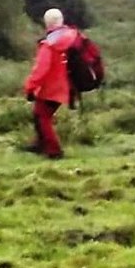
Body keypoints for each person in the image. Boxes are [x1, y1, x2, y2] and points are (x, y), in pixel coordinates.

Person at [22, 8, 79, 160]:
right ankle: (40, 144)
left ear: (46, 23)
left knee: (42, 117)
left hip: (52, 88)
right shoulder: (71, 37)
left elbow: (41, 70)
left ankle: (54, 151)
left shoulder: (49, 44)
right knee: (39, 114)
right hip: (68, 86)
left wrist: (29, 87)